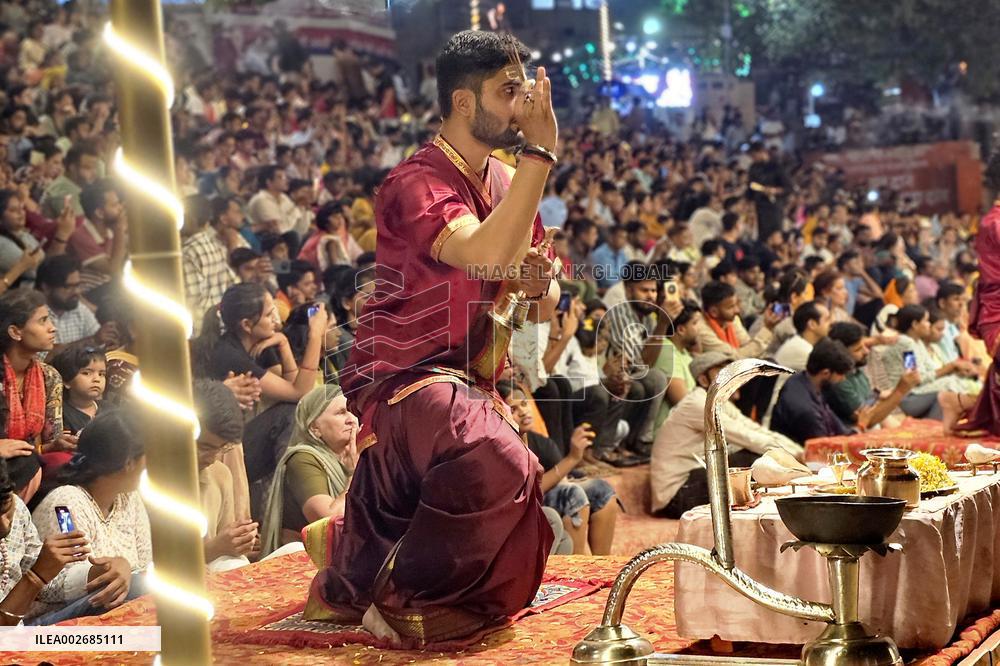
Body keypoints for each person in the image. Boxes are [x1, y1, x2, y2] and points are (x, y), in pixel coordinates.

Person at [312, 31, 559, 643]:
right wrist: (541, 154)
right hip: (404, 375)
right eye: (509, 92)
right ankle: (403, 600)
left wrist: (535, 282)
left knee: (517, 473)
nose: (523, 106)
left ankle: (363, 560)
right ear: (463, 102)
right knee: (495, 456)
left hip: (468, 377)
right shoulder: (413, 183)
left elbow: (549, 298)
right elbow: (482, 256)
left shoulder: (505, 179)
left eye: (524, 90)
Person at [30, 410, 150, 624]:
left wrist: (126, 574)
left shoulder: (130, 498)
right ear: (129, 463)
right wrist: (108, 571)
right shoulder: (64, 505)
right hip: (51, 621)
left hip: (109, 608)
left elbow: (145, 563)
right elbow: (54, 587)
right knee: (138, 588)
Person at [651, 351, 802, 517]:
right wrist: (793, 456)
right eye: (721, 372)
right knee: (754, 458)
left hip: (694, 479)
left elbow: (754, 429)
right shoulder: (697, 404)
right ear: (703, 380)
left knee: (759, 455)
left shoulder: (717, 400)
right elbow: (746, 437)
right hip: (676, 496)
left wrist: (796, 451)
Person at [499, 381, 619, 555]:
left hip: (543, 498)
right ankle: (578, 573)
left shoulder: (540, 442)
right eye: (513, 409)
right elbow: (526, 493)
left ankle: (602, 568)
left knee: (602, 490)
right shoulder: (503, 447)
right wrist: (572, 458)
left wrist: (573, 462)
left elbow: (562, 477)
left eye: (524, 404)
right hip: (519, 509)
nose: (523, 411)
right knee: (571, 495)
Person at [261, 385, 359, 555]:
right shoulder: (303, 459)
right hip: (306, 557)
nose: (351, 419)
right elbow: (330, 521)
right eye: (341, 412)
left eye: (352, 411)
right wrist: (353, 474)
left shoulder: (361, 453)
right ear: (315, 428)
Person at [0, 457, 90, 625]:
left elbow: (46, 588)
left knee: (131, 587)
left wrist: (98, 573)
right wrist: (35, 576)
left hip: (20, 633)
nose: (5, 525)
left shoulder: (17, 507)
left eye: (5, 509)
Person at [0, 289, 70, 502]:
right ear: (15, 332)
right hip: (9, 464)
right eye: (42, 321)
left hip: (27, 462)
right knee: (27, 464)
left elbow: (47, 445)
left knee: (67, 464)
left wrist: (58, 444)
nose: (52, 328)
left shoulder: (49, 377)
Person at [193, 379, 258, 572]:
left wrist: (239, 541)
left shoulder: (220, 474)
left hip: (215, 573)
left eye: (221, 448)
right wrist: (215, 548)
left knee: (296, 549)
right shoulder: (150, 478)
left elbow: (227, 550)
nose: (213, 458)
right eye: (205, 447)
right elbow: (152, 564)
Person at [881, 304, 978, 423]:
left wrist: (953, 370)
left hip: (919, 393)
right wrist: (949, 367)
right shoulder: (905, 344)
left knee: (953, 383)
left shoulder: (918, 342)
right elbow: (914, 379)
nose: (928, 324)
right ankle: (933, 428)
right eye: (926, 321)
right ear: (915, 324)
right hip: (906, 396)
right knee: (946, 390)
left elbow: (929, 372)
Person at [825, 321, 919, 429]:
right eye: (858, 349)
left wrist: (879, 394)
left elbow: (869, 399)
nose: (866, 351)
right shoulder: (840, 381)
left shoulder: (856, 369)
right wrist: (900, 390)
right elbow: (867, 420)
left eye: (864, 346)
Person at [771, 338, 855, 444]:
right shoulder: (806, 410)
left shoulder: (803, 380)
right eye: (841, 375)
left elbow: (838, 427)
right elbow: (823, 449)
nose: (843, 379)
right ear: (826, 373)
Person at [182, 195, 237, 335]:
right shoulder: (215, 244)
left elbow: (190, 298)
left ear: (190, 219)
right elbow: (233, 281)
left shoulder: (188, 252)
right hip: (220, 324)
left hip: (199, 331)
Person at [69, 179, 128, 299]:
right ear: (99, 213)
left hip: (109, 290)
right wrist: (120, 230)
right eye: (115, 205)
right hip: (88, 294)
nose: (120, 208)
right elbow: (112, 269)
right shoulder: (80, 235)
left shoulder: (110, 230)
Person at [695, 280, 780, 358]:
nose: (737, 310)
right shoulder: (701, 330)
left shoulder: (732, 319)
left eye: (736, 304)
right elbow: (734, 358)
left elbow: (748, 345)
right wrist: (767, 329)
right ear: (714, 312)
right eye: (731, 307)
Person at [652, 299, 700, 431]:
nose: (699, 329)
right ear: (681, 329)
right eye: (695, 323)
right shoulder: (666, 350)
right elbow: (683, 402)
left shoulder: (685, 353)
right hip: (671, 434)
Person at [0, 188, 44, 288]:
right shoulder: (2, 244)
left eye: (22, 208)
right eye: (13, 210)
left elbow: (42, 259)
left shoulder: (21, 233)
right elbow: (35, 270)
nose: (21, 213)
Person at [774, 300, 832, 372]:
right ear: (812, 324)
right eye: (827, 319)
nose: (831, 323)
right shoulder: (802, 350)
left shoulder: (801, 342)